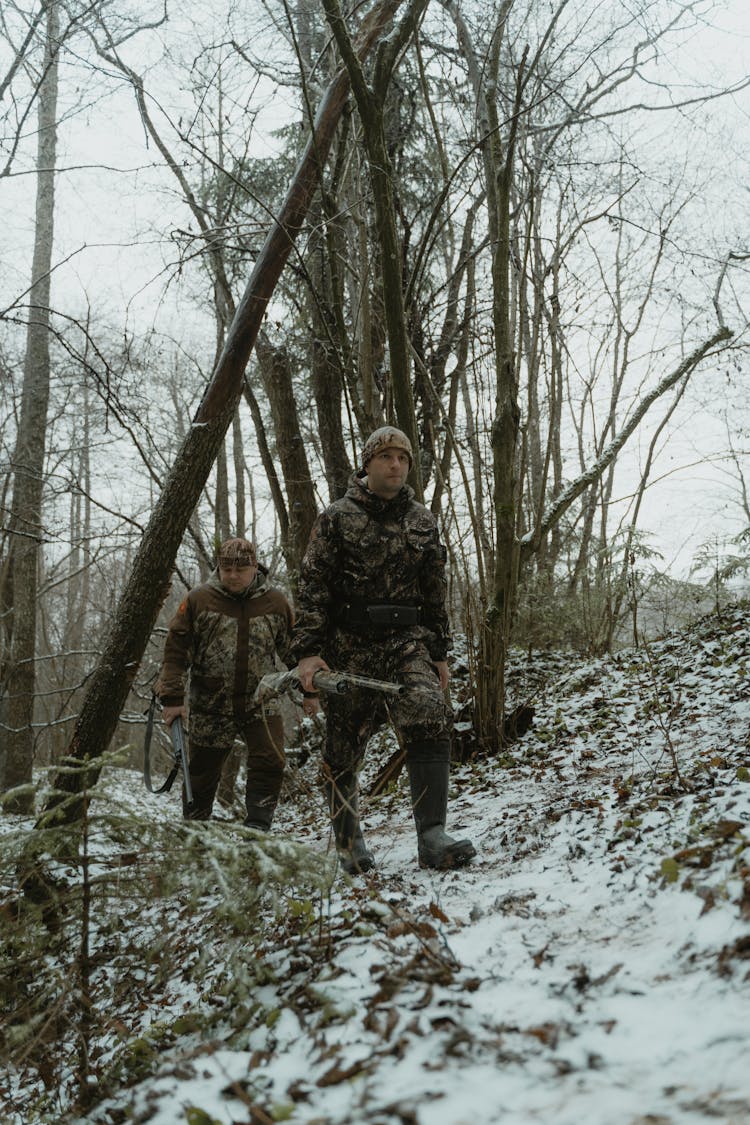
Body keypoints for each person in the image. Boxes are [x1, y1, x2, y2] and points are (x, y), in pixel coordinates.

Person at [291, 426, 476, 873]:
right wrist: (308, 653)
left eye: (403, 458)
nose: (396, 465)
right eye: (387, 457)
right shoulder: (336, 517)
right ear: (368, 463)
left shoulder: (422, 520)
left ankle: (432, 837)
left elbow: (434, 590)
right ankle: (349, 843)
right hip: (349, 646)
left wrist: (439, 653)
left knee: (430, 715)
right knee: (342, 748)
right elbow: (313, 587)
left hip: (406, 644)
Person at [157, 537, 293, 829]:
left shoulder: (275, 602)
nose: (231, 576)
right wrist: (172, 698)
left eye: (240, 570)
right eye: (225, 568)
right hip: (211, 702)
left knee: (270, 762)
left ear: (255, 567)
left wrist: (310, 690)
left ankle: (257, 831)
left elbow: (295, 651)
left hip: (261, 700)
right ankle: (195, 836)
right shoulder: (199, 600)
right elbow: (176, 652)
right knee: (202, 773)